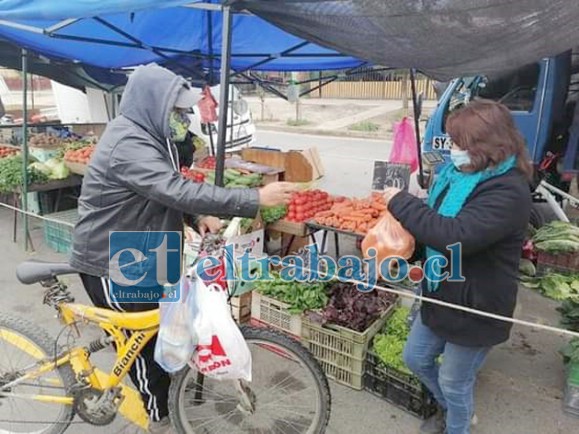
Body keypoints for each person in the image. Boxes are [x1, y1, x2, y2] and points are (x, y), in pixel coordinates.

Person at [69, 63, 297, 433]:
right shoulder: (128, 142)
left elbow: (161, 192)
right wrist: (252, 197)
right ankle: (158, 417)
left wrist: (196, 217)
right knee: (142, 344)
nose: (182, 117)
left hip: (145, 244)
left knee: (166, 329)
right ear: (153, 105)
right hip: (113, 255)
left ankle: (168, 396)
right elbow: (172, 189)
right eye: (176, 110)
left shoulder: (151, 137)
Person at [382, 99, 533, 434]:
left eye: (456, 143)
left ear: (484, 147)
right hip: (442, 291)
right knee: (416, 358)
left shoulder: (507, 191)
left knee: (454, 378)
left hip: (478, 304)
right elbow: (434, 218)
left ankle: (457, 425)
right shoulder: (456, 173)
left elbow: (455, 235)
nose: (450, 149)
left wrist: (400, 202)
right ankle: (453, 410)